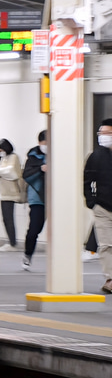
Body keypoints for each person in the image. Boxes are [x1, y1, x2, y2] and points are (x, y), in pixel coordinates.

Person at [84, 119, 112, 293]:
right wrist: (91, 201)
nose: (103, 137)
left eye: (107, 133)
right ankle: (110, 278)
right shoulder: (95, 156)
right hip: (102, 207)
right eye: (100, 134)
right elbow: (87, 180)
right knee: (106, 244)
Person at [22, 130, 47, 270]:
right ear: (40, 143)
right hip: (38, 199)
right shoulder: (33, 157)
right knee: (34, 230)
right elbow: (26, 175)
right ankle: (27, 254)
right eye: (45, 143)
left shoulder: (58, 155)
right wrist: (41, 169)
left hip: (57, 200)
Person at [0, 139, 24, 251]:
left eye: (1, 149)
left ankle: (12, 243)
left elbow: (11, 173)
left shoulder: (14, 157)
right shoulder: (2, 158)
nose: (0, 151)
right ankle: (10, 241)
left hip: (10, 193)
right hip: (2, 193)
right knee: (5, 218)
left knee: (8, 218)